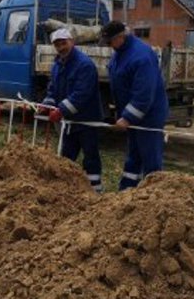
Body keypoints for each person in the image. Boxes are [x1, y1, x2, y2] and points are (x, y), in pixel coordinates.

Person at [100, 20, 169, 190]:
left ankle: (154, 195)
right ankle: (128, 191)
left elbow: (144, 94)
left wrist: (127, 118)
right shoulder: (120, 52)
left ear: (121, 37)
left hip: (149, 117)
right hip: (135, 117)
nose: (109, 46)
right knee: (134, 155)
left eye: (110, 42)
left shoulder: (141, 56)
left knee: (150, 158)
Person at [41, 28, 104, 191]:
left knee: (90, 157)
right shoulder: (57, 64)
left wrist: (60, 110)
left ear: (72, 42)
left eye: (64, 43)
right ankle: (66, 189)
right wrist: (46, 105)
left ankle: (95, 190)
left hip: (87, 120)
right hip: (69, 122)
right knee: (66, 157)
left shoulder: (84, 65)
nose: (61, 47)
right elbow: (53, 89)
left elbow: (82, 94)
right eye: (57, 45)